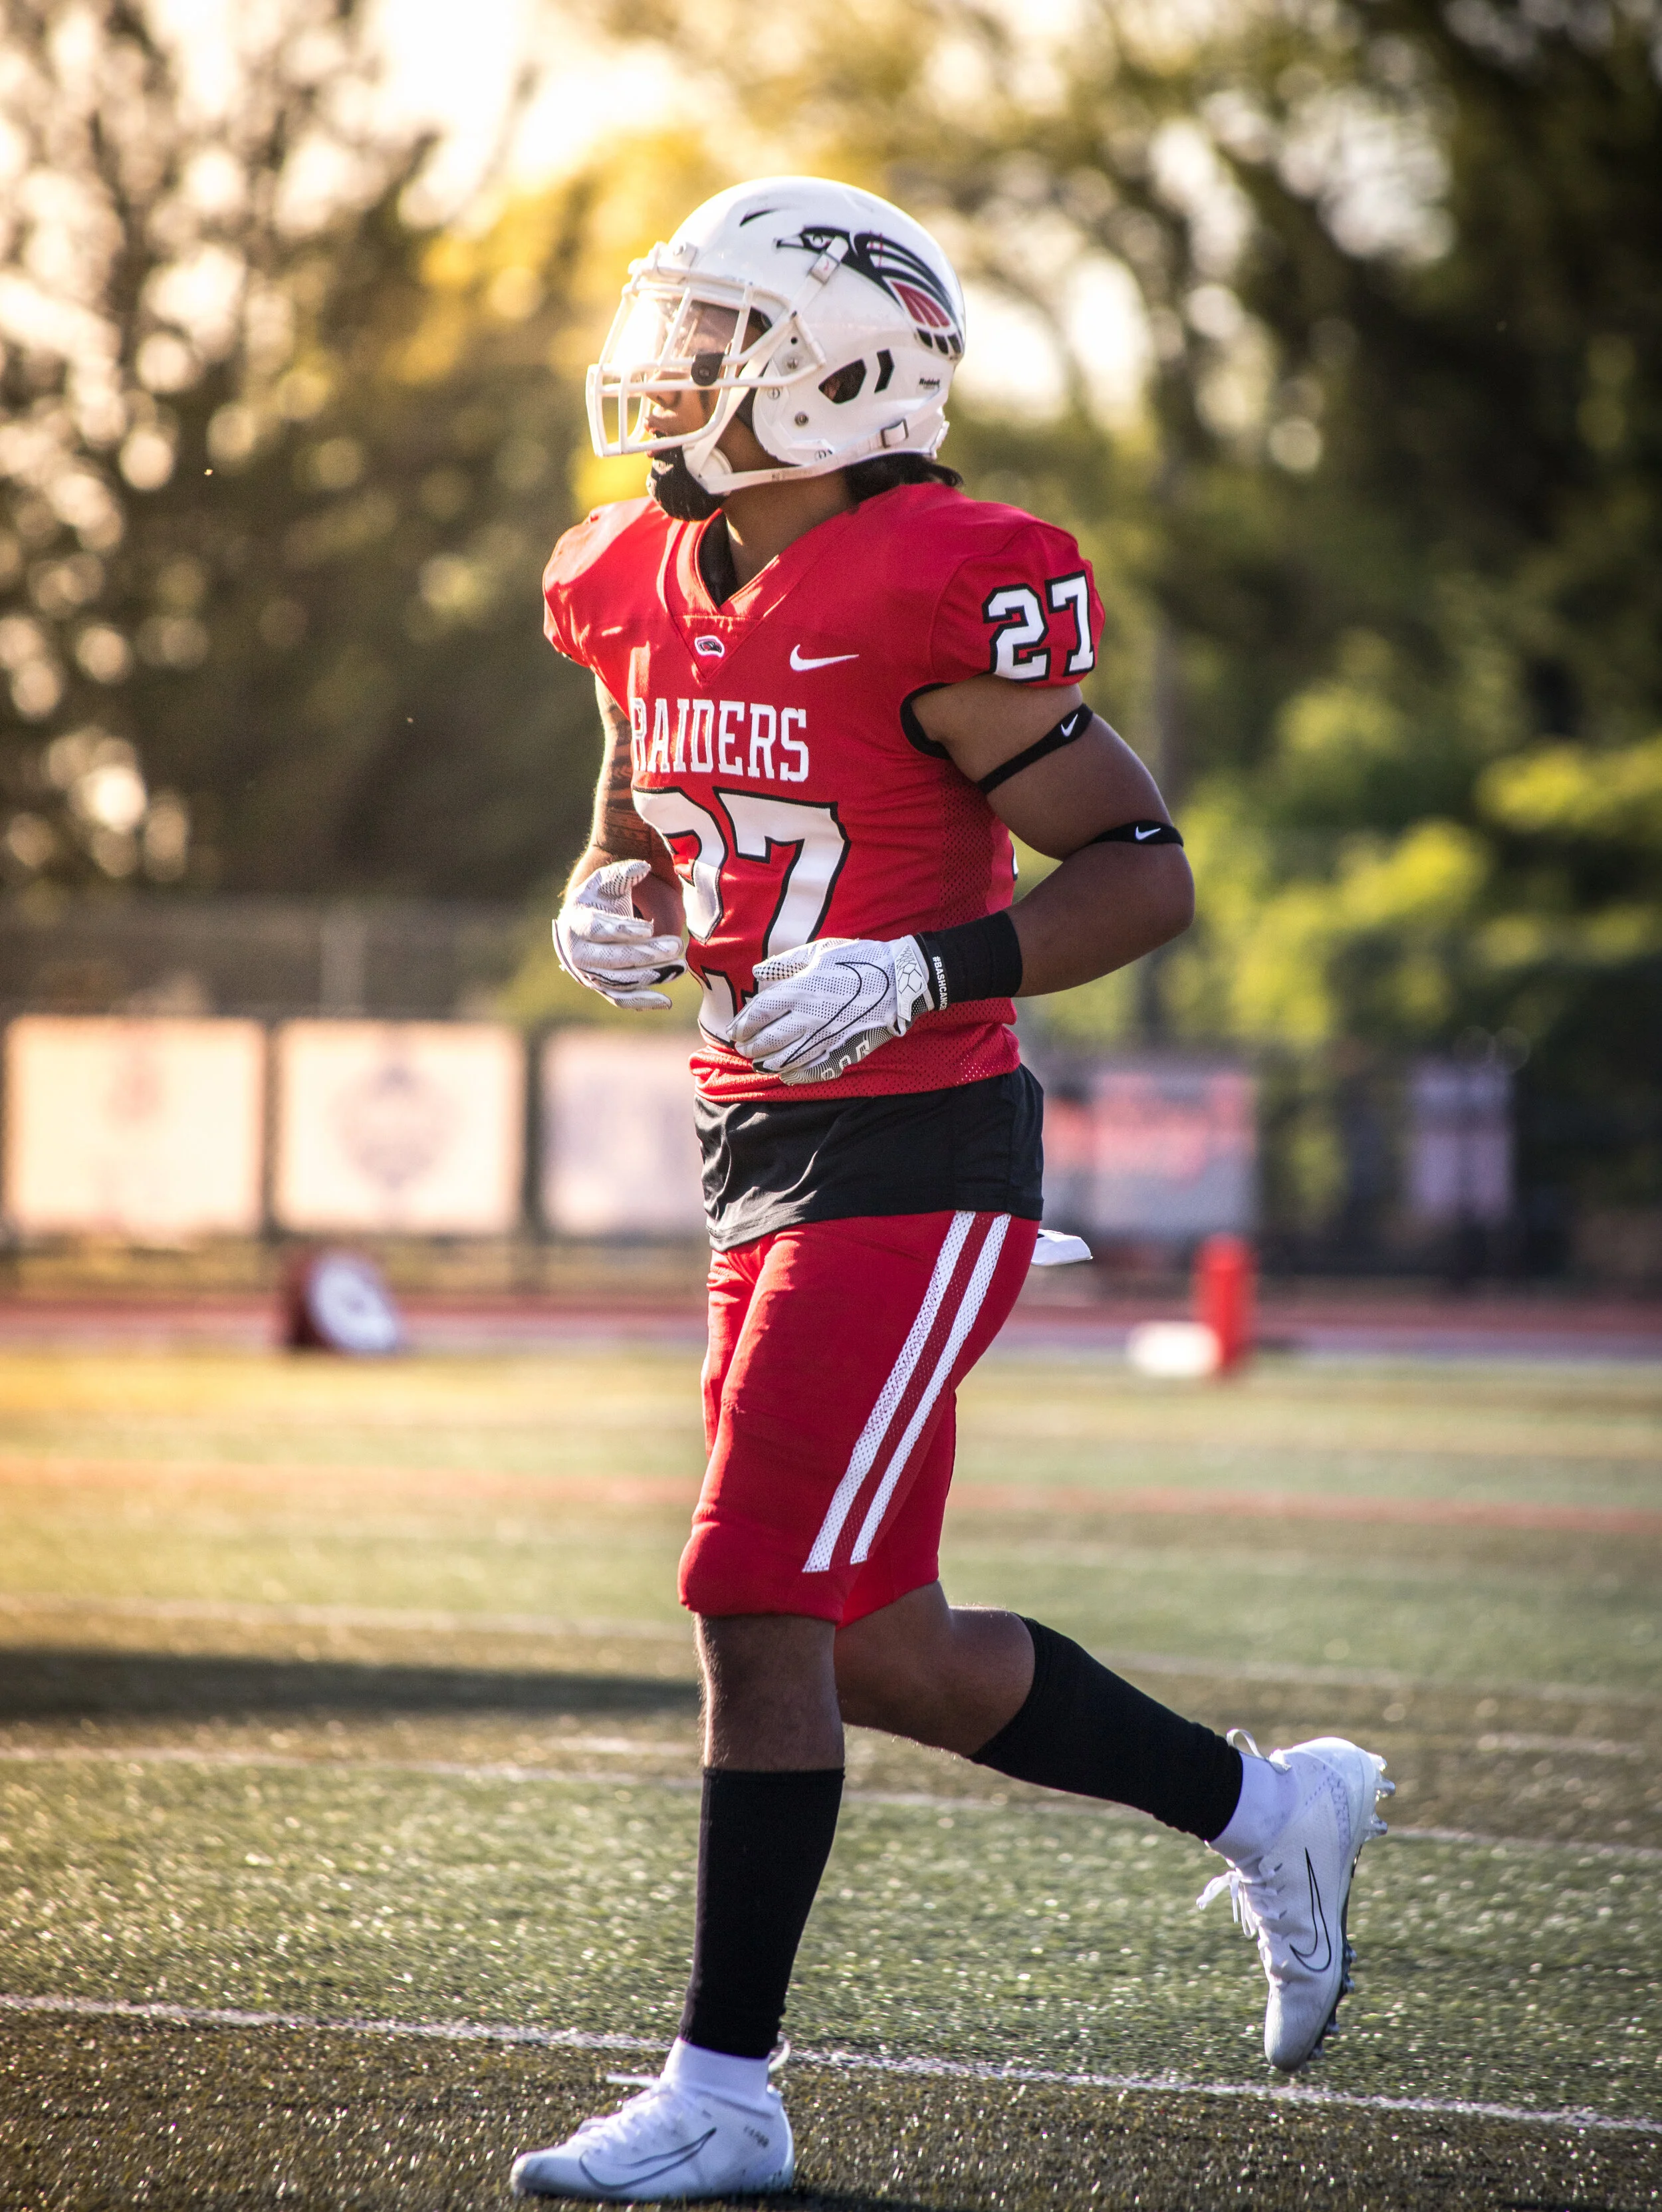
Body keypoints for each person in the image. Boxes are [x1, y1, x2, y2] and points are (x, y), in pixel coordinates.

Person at [513, 176, 1392, 2203]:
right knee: (884, 1641)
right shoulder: (633, 566)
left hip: (919, 1146)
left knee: (751, 1593)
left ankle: (724, 2090)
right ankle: (1268, 1807)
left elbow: (1138, 868)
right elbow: (643, 757)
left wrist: (926, 963)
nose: (679, 370)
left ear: (842, 368)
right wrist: (619, 879)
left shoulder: (944, 577)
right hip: (755, 1131)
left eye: (723, 335)